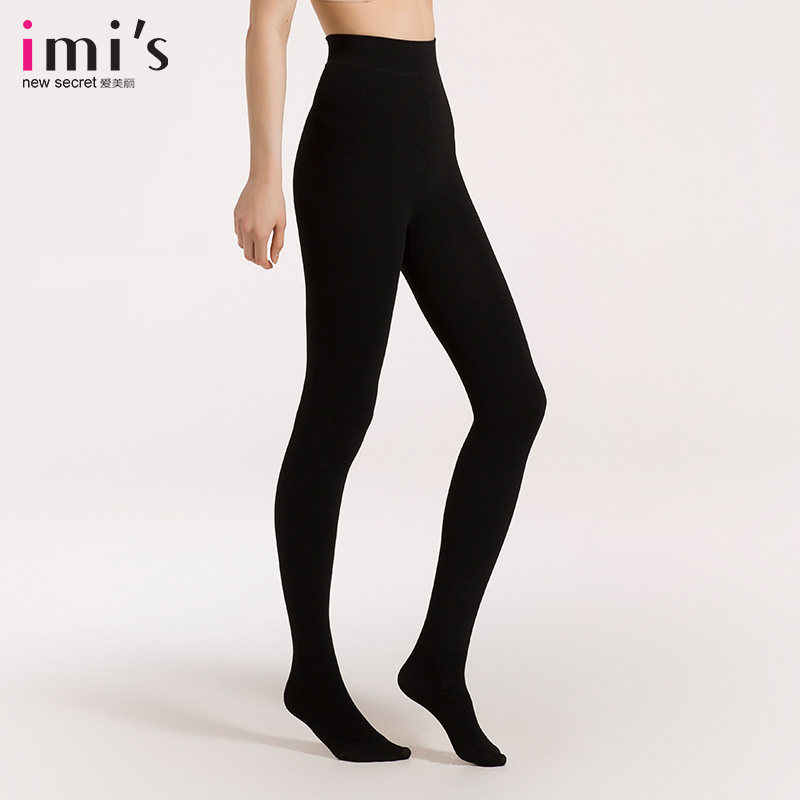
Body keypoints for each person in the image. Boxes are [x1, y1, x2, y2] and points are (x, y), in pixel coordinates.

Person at [233, 0, 546, 767]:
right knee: (339, 409)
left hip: (429, 141)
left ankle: (439, 661)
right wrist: (264, 175)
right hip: (353, 140)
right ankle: (313, 676)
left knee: (514, 401)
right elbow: (268, 25)